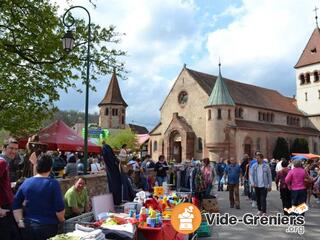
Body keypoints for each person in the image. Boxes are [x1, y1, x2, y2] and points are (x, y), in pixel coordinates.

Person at [13, 154, 65, 240]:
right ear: (50, 167)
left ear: (37, 166)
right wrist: (62, 220)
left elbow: (16, 204)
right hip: (48, 228)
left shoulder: (26, 182)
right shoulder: (53, 184)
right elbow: (59, 209)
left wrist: (20, 222)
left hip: (28, 227)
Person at [0, 138, 19, 240]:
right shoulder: (2, 162)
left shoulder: (5, 162)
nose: (14, 151)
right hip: (4, 207)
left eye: (16, 149)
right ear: (4, 148)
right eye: (11, 148)